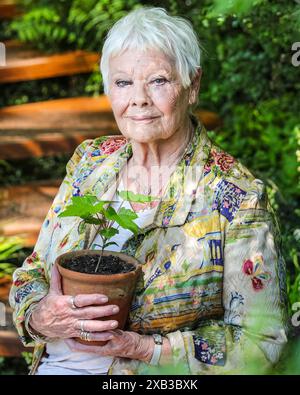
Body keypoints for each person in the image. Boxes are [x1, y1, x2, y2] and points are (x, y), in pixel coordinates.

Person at [9, 6, 288, 375]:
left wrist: (145, 349)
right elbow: (31, 274)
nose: (139, 99)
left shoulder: (237, 198)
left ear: (193, 86)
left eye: (158, 81)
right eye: (124, 83)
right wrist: (39, 316)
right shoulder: (90, 162)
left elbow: (264, 342)